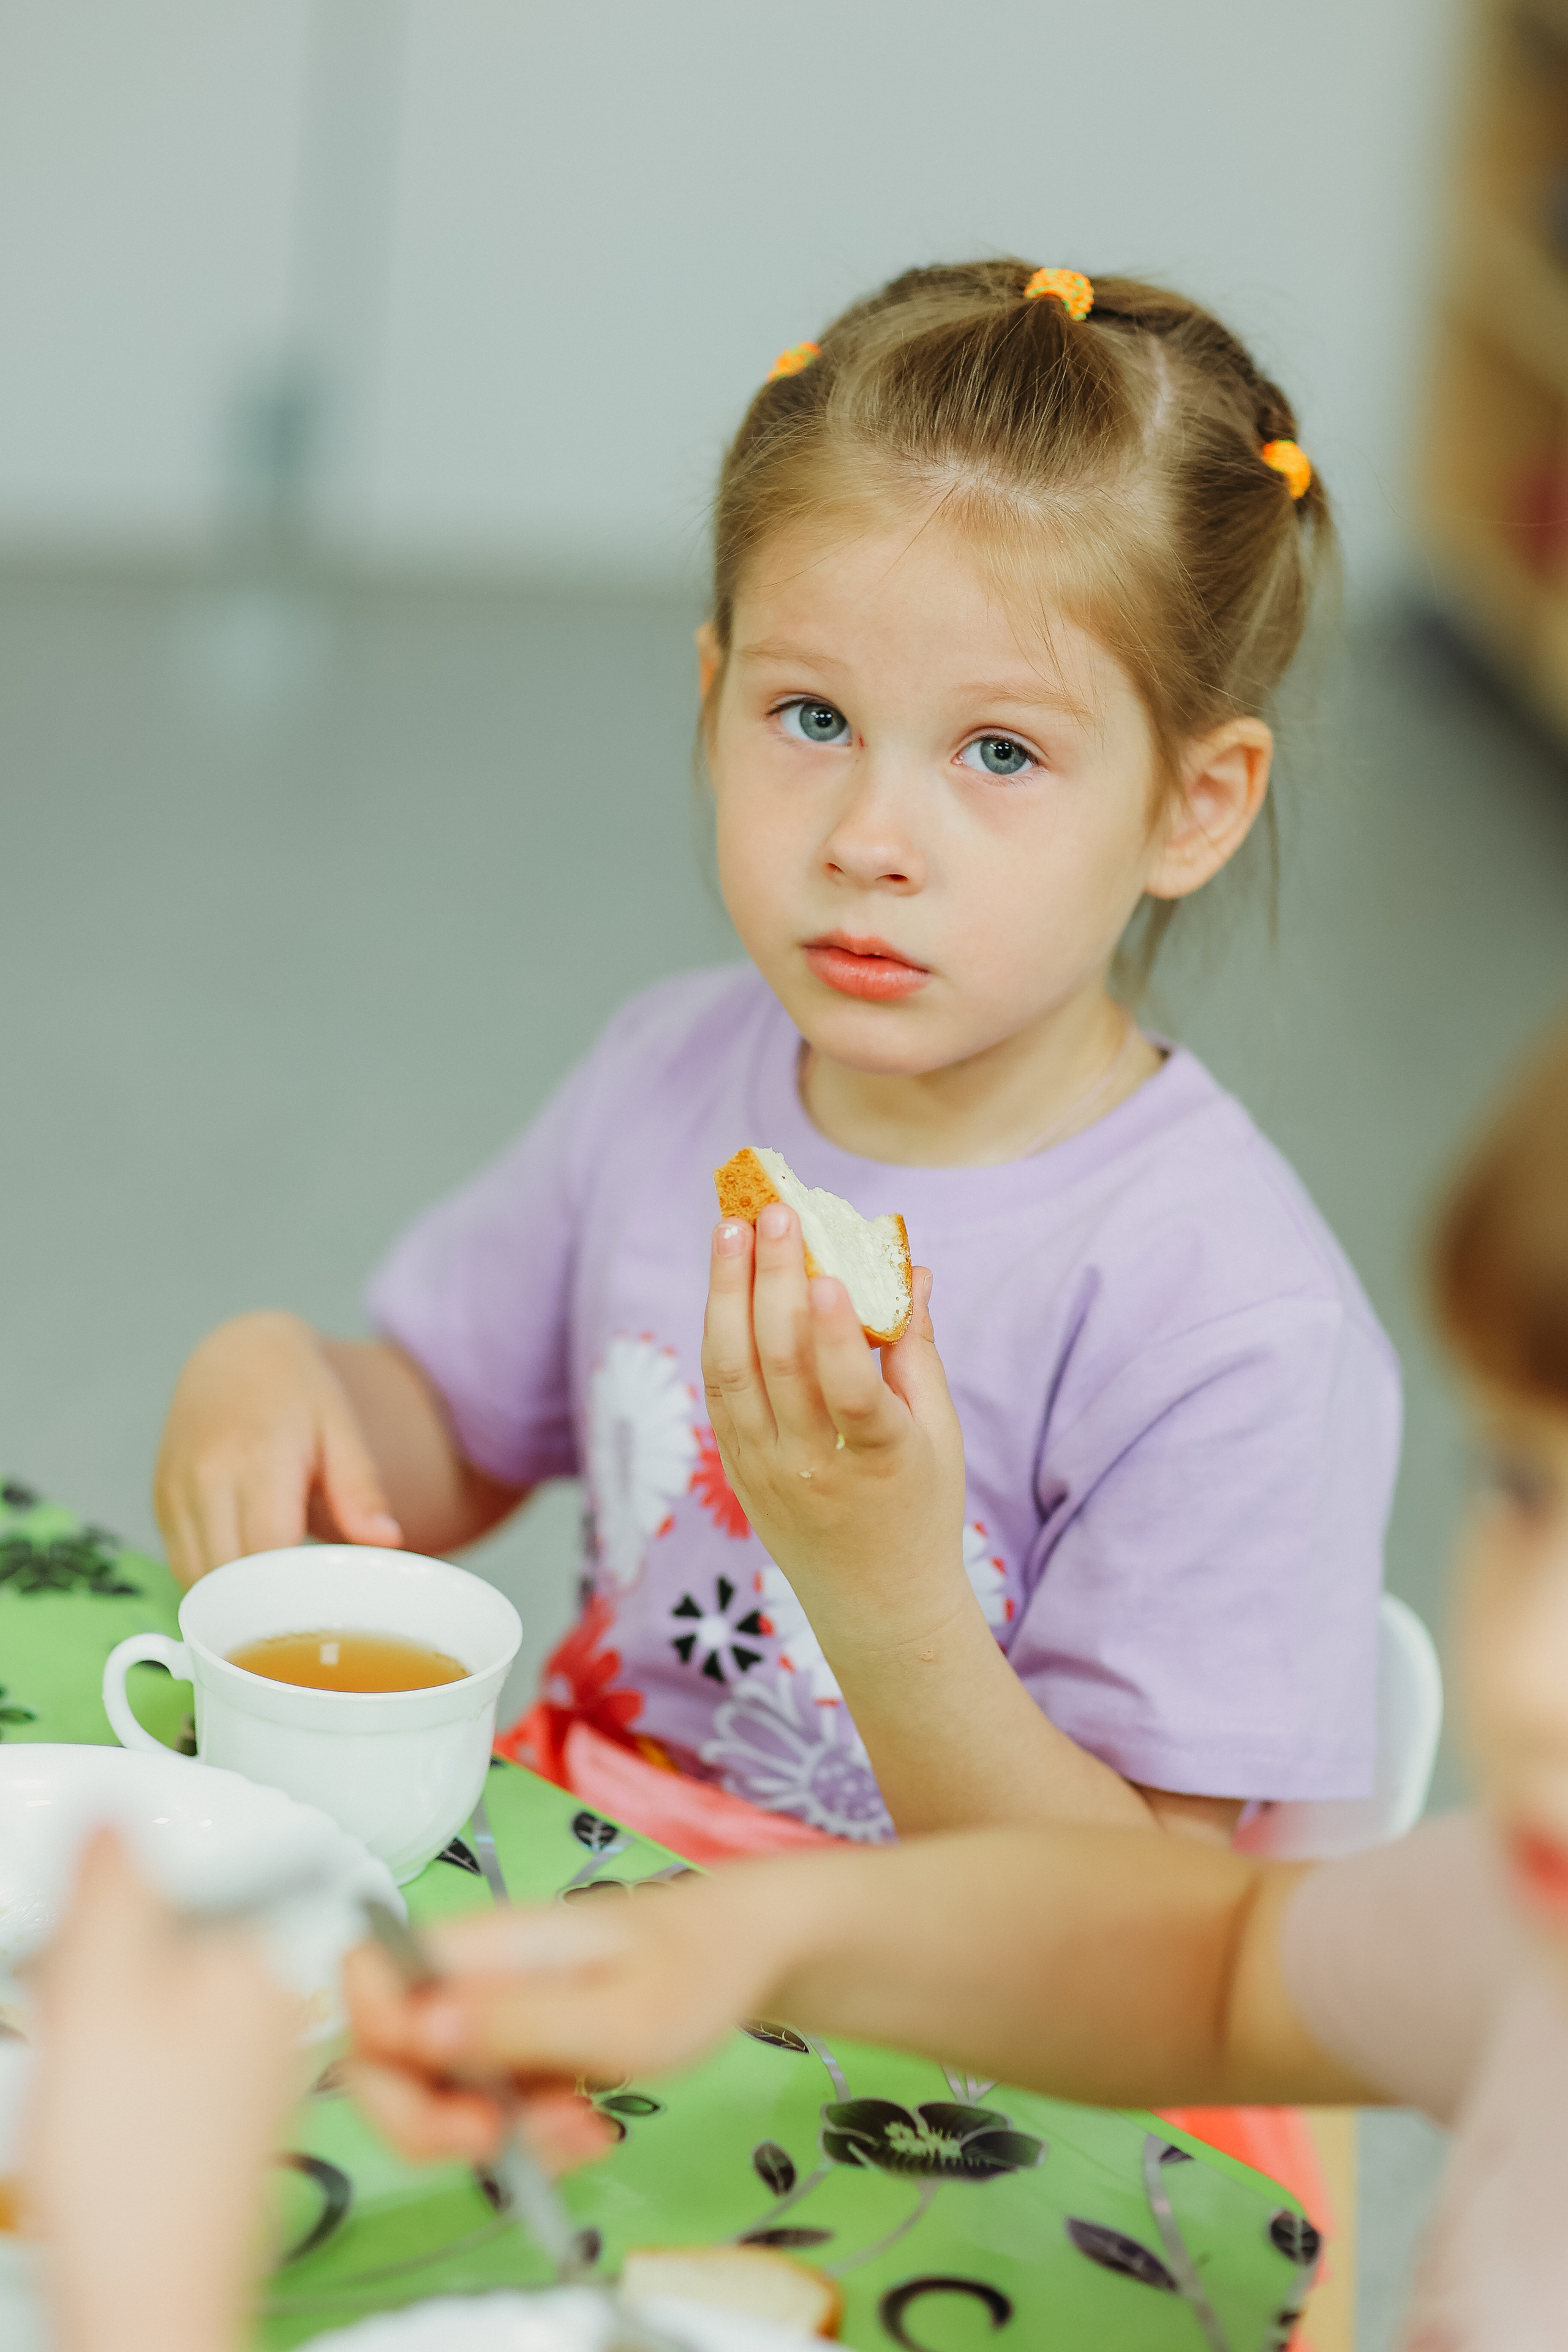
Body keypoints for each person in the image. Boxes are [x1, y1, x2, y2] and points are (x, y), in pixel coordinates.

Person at [153, 260, 1398, 1855]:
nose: (869, 839)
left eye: (999, 751)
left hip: (943, 2001)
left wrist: (881, 1591)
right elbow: (443, 1442)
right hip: (603, 1893)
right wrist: (274, 1376)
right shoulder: (668, 1072)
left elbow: (1147, 1925)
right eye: (811, 718)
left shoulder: (1228, 1319)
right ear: (712, 694)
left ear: (1191, 806)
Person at [335, 1023, 1568, 2345]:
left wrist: (884, 1598)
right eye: (1518, 1485)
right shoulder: (1516, 1927)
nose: (1525, 1671)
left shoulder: (1240, 1307)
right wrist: (732, 1942)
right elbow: (1203, 1969)